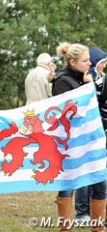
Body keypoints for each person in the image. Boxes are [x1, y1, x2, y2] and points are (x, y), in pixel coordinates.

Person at [52, 42, 106, 232]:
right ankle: (66, 228)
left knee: (100, 184)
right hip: (71, 144)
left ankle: (98, 228)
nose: (89, 63)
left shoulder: (83, 78)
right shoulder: (62, 81)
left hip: (90, 141)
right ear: (73, 61)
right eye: (85, 60)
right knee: (68, 186)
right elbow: (68, 114)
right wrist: (88, 87)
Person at [74, 47, 107, 223]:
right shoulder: (87, 80)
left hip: (99, 130)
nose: (103, 66)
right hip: (86, 132)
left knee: (98, 172)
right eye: (102, 63)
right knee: (86, 171)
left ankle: (97, 214)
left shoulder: (100, 79)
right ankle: (81, 213)